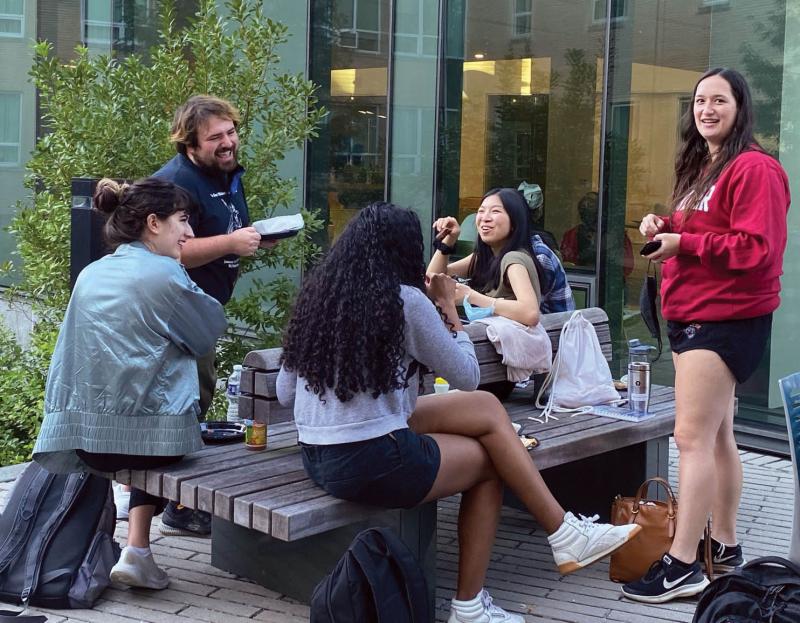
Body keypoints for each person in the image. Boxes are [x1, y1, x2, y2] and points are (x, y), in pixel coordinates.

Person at [277, 202, 641, 623]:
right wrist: (450, 310)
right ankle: (472, 604)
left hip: (317, 457)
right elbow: (467, 374)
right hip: (370, 460)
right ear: (403, 252)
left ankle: (565, 533)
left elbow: (286, 393)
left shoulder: (319, 299)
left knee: (486, 410)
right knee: (489, 463)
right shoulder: (405, 301)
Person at [621, 68, 790, 604]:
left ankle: (682, 563)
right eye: (699, 100)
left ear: (741, 107)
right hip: (702, 312)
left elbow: (756, 249)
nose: (706, 109)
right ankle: (728, 546)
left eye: (719, 100)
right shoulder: (709, 166)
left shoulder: (755, 168)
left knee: (689, 439)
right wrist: (664, 224)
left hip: (722, 318)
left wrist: (685, 245)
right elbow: (707, 226)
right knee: (716, 439)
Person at [32, 178, 227, 590]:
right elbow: (207, 334)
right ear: (153, 223)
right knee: (185, 375)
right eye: (183, 220)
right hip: (152, 445)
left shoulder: (92, 273)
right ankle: (135, 548)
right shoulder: (165, 275)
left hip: (83, 439)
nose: (190, 233)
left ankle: (137, 550)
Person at [153, 94, 275, 536]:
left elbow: (226, 228)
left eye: (231, 132)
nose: (227, 143)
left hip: (204, 310)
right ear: (190, 144)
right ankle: (177, 507)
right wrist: (229, 244)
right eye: (215, 138)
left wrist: (254, 238)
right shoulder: (174, 184)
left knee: (196, 402)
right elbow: (172, 250)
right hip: (177, 315)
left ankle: (174, 502)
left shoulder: (226, 173)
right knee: (187, 404)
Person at [427, 188, 544, 327]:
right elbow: (433, 279)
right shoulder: (488, 255)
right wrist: (449, 240)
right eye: (481, 211)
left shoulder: (513, 260)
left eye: (495, 211)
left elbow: (530, 313)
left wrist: (471, 297)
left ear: (514, 222)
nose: (485, 217)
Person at [560, 191, 634, 278]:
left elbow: (626, 266)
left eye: (591, 207)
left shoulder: (616, 235)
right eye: (584, 209)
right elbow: (568, 263)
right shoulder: (572, 235)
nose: (587, 213)